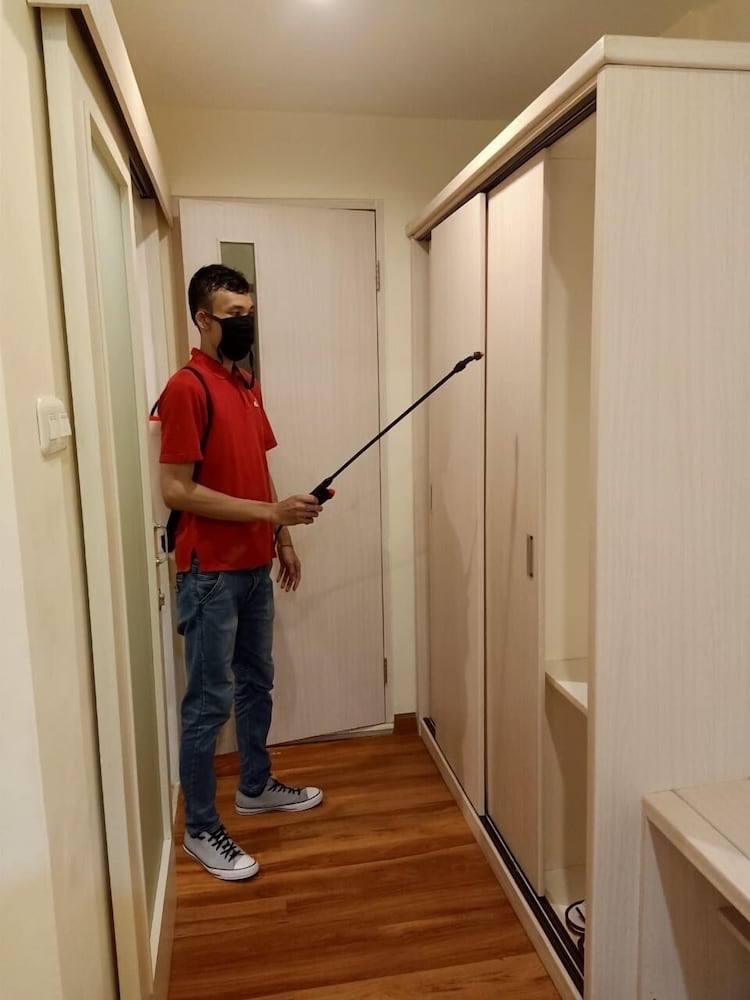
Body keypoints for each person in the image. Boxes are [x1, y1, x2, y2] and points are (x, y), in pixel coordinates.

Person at [158, 263, 324, 881]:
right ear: (203, 319)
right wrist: (269, 514)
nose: (245, 324)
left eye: (249, 313)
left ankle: (255, 786)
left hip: (256, 564)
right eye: (234, 315)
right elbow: (176, 490)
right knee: (208, 704)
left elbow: (258, 464)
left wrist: (281, 535)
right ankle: (201, 829)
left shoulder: (246, 384)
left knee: (257, 682)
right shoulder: (186, 388)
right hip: (210, 573)